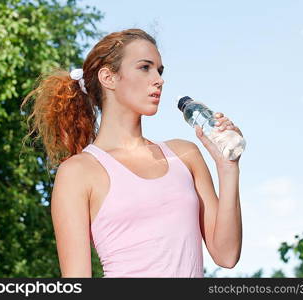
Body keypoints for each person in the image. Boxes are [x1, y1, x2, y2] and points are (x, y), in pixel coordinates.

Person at [21, 28, 243, 278]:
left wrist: (228, 167)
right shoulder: (78, 172)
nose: (159, 80)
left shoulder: (185, 155)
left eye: (159, 70)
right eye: (145, 67)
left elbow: (226, 255)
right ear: (109, 77)